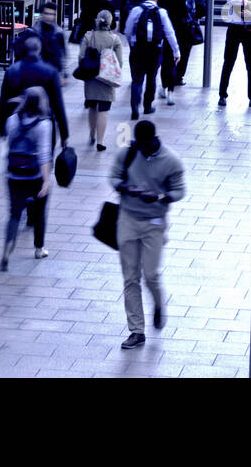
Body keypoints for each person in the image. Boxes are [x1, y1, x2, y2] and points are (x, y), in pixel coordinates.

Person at [110, 120, 186, 350]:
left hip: (154, 223)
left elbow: (179, 190)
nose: (140, 148)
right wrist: (125, 188)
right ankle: (136, 331)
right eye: (137, 144)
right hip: (128, 219)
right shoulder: (128, 153)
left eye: (144, 145)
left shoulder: (171, 160)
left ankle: (159, 305)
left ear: (154, 139)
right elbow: (114, 177)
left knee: (151, 274)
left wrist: (160, 197)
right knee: (130, 278)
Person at [0, 86, 55, 270]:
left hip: (14, 174)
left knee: (14, 213)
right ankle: (39, 249)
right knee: (39, 214)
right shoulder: (44, 124)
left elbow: (8, 145)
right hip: (34, 175)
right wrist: (46, 181)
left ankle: (7, 248)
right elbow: (44, 155)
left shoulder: (12, 120)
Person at [0, 36, 69, 151]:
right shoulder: (50, 71)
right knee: (44, 156)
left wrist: (2, 130)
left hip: (18, 123)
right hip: (44, 121)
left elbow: (3, 103)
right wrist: (64, 134)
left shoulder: (12, 70)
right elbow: (58, 104)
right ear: (39, 49)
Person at [124, 0, 180, 120]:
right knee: (151, 78)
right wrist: (176, 50)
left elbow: (127, 30)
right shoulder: (161, 12)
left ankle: (134, 107)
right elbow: (169, 33)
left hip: (138, 49)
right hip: (155, 50)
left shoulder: (136, 10)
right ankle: (147, 106)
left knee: (137, 79)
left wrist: (132, 44)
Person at [79, 10, 122, 151]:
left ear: (97, 20)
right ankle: (100, 141)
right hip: (107, 78)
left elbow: (80, 56)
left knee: (92, 106)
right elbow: (120, 62)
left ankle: (91, 134)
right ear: (110, 22)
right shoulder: (115, 39)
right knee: (103, 110)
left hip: (91, 77)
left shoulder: (88, 36)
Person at [217, 0, 251, 108]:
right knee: (228, 63)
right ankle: (222, 95)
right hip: (234, 28)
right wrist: (246, 2)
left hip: (249, 30)